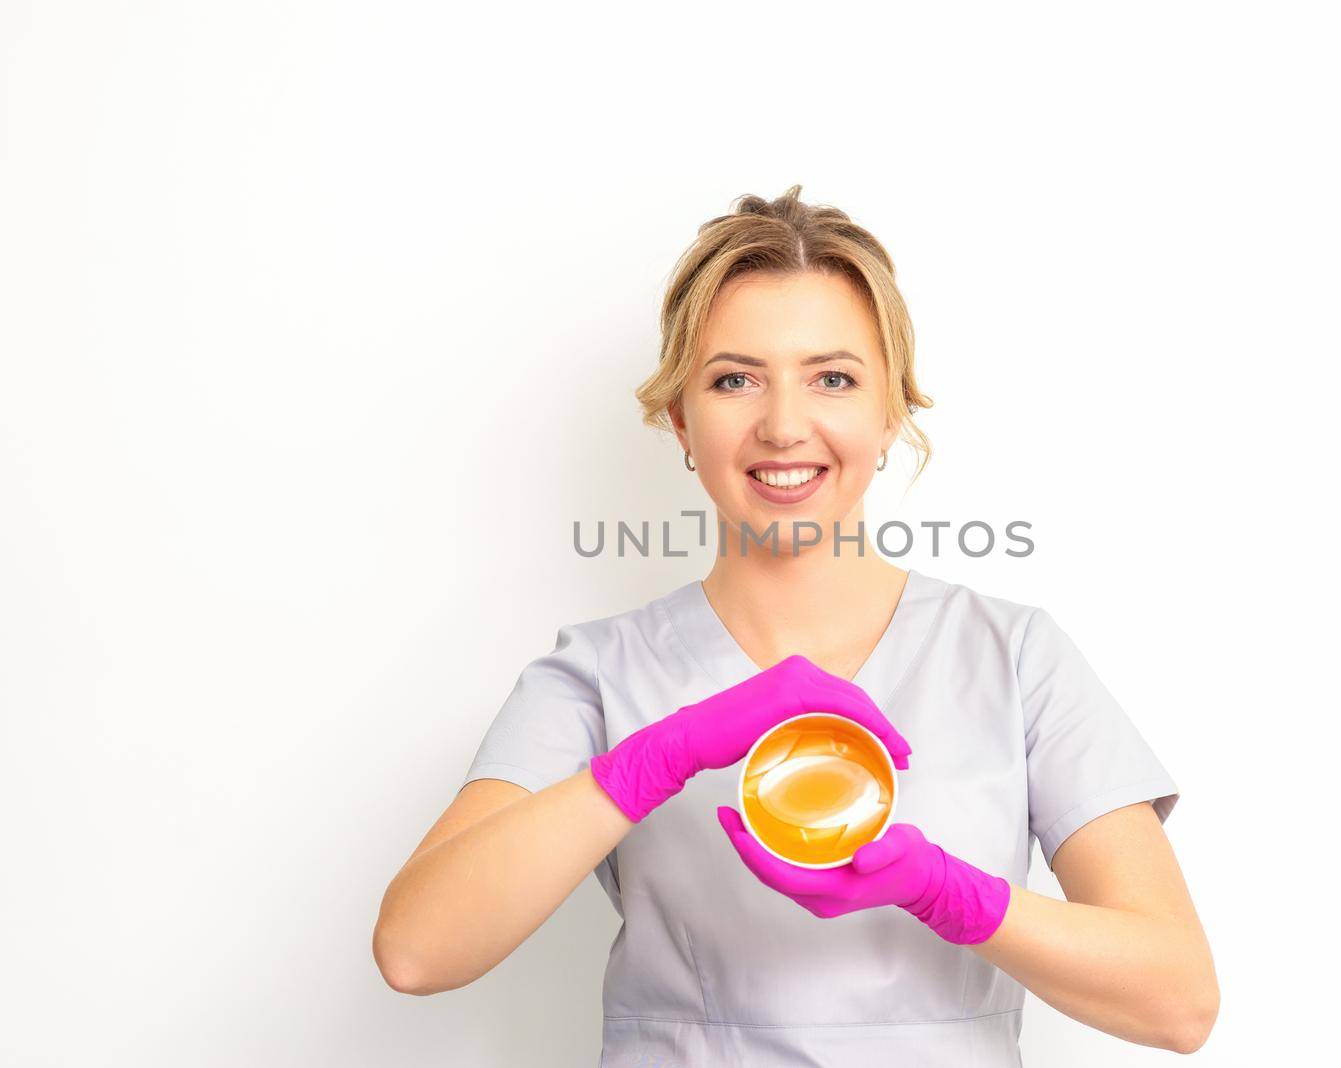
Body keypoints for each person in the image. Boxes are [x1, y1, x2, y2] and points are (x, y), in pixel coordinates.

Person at [373, 186, 1219, 1065]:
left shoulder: (1014, 658)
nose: (783, 425)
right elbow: (416, 950)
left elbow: (1179, 1003)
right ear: (681, 420)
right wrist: (654, 759)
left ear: (890, 411)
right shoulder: (597, 675)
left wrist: (948, 892)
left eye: (834, 379)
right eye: (734, 379)